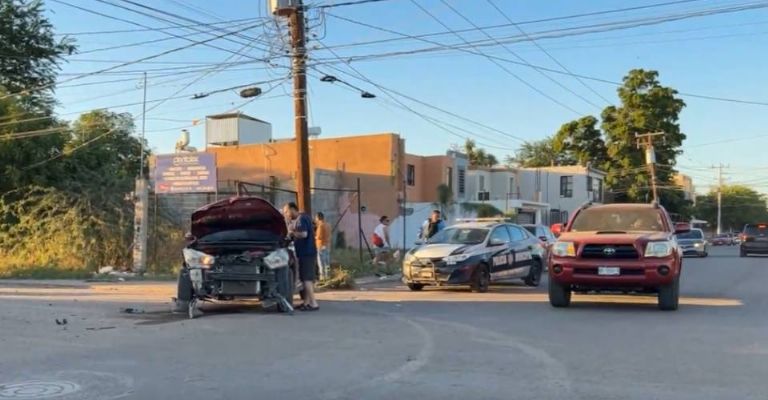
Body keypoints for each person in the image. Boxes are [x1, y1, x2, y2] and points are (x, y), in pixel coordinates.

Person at [282, 202, 319, 312]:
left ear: (293, 209)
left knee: (306, 279)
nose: (286, 215)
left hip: (306, 253)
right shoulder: (304, 217)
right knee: (305, 278)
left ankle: (313, 303)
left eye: (287, 212)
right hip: (307, 252)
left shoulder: (301, 219)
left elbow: (303, 234)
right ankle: (307, 302)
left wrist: (292, 233)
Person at [315, 212, 331, 281]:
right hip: (327, 245)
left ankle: (322, 278)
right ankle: (328, 276)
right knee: (327, 262)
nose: (315, 219)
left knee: (321, 263)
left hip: (320, 246)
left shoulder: (320, 226)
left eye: (316, 217)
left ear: (318, 218)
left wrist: (314, 237)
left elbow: (319, 236)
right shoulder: (328, 225)